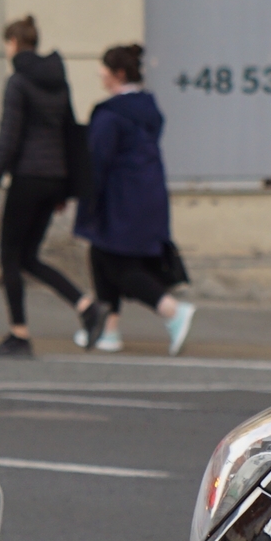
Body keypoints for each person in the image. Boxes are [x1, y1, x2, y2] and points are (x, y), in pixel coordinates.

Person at [0, 16, 93, 357]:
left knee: (10, 256)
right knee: (28, 256)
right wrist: (66, 189)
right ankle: (85, 304)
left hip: (28, 177)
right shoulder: (58, 79)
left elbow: (9, 136)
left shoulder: (18, 82)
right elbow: (70, 132)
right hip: (54, 178)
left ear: (13, 43)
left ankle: (19, 334)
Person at [75, 44, 196, 355]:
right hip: (146, 196)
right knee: (102, 254)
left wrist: (86, 198)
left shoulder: (111, 115)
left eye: (104, 68)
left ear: (118, 74)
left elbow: (97, 160)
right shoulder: (147, 108)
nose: (100, 73)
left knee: (118, 265)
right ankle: (110, 331)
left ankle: (171, 309)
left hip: (120, 199)